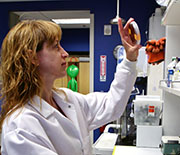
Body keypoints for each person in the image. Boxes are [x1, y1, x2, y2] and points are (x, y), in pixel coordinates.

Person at [0, 18, 141, 155]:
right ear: (33, 58)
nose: (65, 53)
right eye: (56, 47)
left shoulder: (67, 99)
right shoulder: (20, 126)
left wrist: (130, 59)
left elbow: (111, 105)